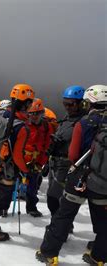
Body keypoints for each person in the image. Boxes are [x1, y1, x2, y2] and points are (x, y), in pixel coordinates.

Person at [37, 84, 107, 265]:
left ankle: (49, 253)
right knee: (104, 221)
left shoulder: (83, 123)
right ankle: (98, 257)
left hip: (79, 177)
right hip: (103, 181)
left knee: (64, 215)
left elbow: (73, 155)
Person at [0, 84, 35, 242]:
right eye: (29, 103)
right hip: (7, 169)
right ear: (24, 104)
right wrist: (26, 170)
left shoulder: (1, 115)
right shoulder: (21, 127)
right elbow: (18, 155)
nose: (30, 106)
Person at [46, 86, 86, 216]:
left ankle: (60, 227)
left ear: (81, 103)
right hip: (55, 162)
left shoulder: (84, 122)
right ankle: (62, 226)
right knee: (55, 197)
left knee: (54, 198)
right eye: (65, 103)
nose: (67, 107)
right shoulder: (67, 119)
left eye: (71, 104)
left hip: (68, 165)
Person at [19, 98, 54, 217]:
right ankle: (3, 207)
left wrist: (41, 163)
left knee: (32, 186)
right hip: (21, 159)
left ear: (41, 113)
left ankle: (31, 207)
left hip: (36, 161)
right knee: (12, 185)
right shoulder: (23, 124)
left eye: (37, 113)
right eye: (31, 113)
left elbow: (47, 146)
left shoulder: (46, 126)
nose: (34, 116)